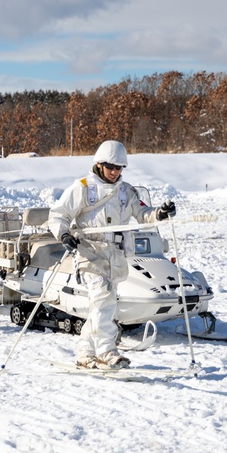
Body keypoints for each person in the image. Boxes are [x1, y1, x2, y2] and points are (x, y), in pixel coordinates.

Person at [48, 140, 177, 369]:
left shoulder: (126, 192)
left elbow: (143, 214)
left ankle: (85, 354)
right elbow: (58, 215)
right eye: (111, 167)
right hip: (90, 253)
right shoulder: (83, 188)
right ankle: (107, 351)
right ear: (99, 164)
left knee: (101, 305)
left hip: (115, 257)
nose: (115, 172)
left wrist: (160, 213)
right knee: (102, 300)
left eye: (119, 168)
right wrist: (64, 234)